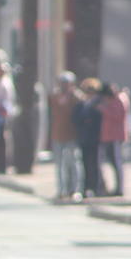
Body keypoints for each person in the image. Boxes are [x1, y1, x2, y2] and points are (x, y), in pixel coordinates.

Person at [48, 73, 83, 201]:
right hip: (58, 135)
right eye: (61, 83)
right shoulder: (55, 97)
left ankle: (75, 189)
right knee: (59, 165)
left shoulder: (76, 97)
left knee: (73, 163)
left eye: (66, 83)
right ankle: (61, 190)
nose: (63, 86)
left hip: (71, 135)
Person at [74, 78, 105, 198]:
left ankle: (97, 188)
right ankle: (86, 188)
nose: (89, 94)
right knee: (85, 164)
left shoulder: (99, 104)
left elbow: (100, 120)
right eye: (87, 91)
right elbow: (75, 118)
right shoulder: (81, 104)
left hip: (96, 138)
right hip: (84, 138)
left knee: (96, 164)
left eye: (92, 91)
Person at [98, 82, 129, 197]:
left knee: (117, 163)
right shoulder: (110, 102)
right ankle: (106, 188)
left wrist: (105, 110)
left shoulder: (120, 100)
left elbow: (119, 116)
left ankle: (119, 189)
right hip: (107, 136)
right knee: (108, 163)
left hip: (116, 136)